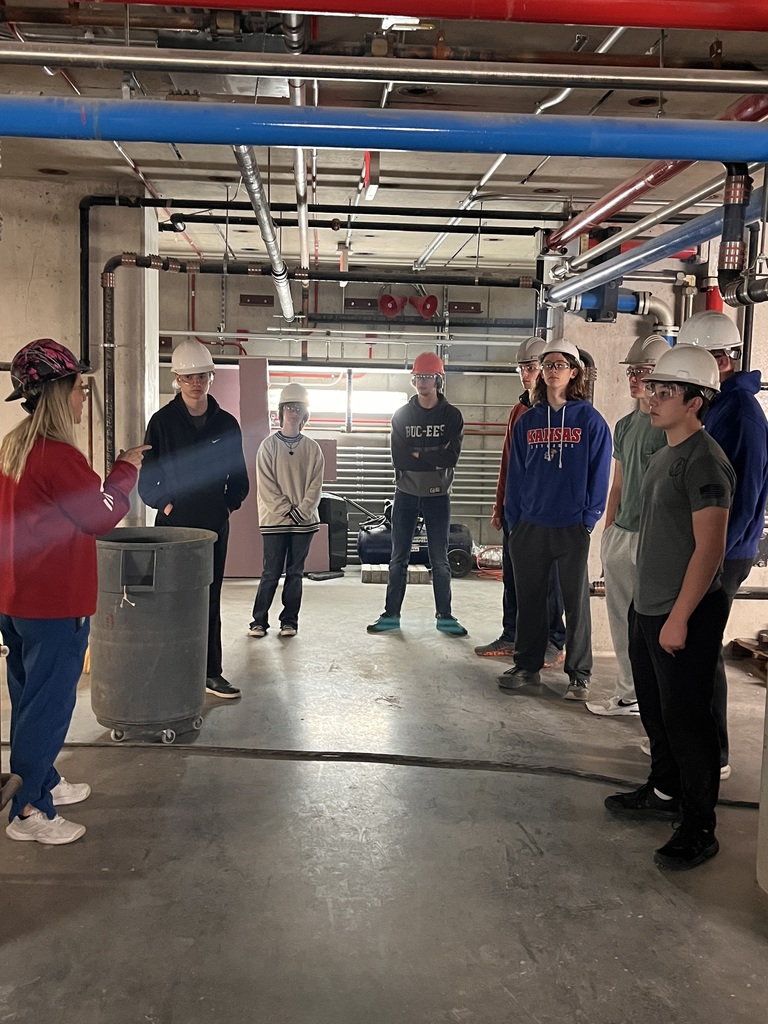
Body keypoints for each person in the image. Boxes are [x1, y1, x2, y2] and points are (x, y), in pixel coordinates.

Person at [0, 339, 148, 845]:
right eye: (81, 389)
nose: (84, 399)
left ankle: (42, 781)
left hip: (17, 599)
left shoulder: (13, 447)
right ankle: (28, 813)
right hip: (55, 604)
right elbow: (102, 514)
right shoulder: (57, 455)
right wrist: (126, 469)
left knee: (27, 697)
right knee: (49, 706)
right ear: (60, 392)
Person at [605, 344, 735, 871]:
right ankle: (663, 790)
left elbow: (710, 549)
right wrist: (647, 610)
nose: (652, 398)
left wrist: (679, 617)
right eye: (652, 389)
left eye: (665, 392)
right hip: (650, 604)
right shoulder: (664, 454)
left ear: (696, 400)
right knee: (657, 710)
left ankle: (699, 826)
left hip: (686, 610)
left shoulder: (705, 461)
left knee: (689, 719)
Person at [676, 310, 768, 779]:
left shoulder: (743, 417)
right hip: (708, 547)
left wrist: (709, 559)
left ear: (721, 359)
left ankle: (716, 752)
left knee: (704, 646)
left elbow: (746, 498)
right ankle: (694, 742)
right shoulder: (716, 405)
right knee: (694, 646)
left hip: (725, 552)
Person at [499, 339, 611, 700]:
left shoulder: (590, 421)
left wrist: (589, 518)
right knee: (530, 600)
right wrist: (513, 518)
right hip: (530, 525)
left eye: (559, 365)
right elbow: (515, 473)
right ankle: (527, 666)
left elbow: (600, 472)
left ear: (574, 372)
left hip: (571, 527)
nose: (551, 371)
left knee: (576, 604)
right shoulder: (528, 421)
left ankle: (579, 674)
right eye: (546, 366)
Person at [139, 340, 249, 699]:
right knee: (169, 599)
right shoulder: (162, 423)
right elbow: (148, 480)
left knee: (209, 598)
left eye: (201, 376)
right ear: (177, 379)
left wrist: (225, 508)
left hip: (214, 529)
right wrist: (169, 508)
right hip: (172, 529)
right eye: (188, 377)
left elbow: (240, 479)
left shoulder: (226, 425)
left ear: (211, 377)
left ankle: (209, 673)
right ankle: (169, 670)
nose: (195, 382)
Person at [586, 334, 669, 718]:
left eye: (645, 371)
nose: (636, 378)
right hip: (623, 534)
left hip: (654, 540)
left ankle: (654, 700)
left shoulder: (668, 426)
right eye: (633, 371)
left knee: (652, 626)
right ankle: (628, 692)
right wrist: (609, 531)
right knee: (620, 620)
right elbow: (617, 483)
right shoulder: (624, 425)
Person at [475, 335, 565, 665]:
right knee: (512, 578)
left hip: (546, 517)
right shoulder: (519, 412)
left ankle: (554, 639)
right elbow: (508, 464)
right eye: (522, 367)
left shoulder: (560, 413)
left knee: (549, 582)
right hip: (517, 514)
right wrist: (501, 508)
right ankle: (512, 634)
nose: (525, 373)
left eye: (531, 367)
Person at [368, 351, 467, 636]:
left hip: (438, 495)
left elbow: (451, 458)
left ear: (438, 380)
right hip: (406, 494)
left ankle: (445, 617)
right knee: (398, 557)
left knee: (440, 559)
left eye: (428, 377)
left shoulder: (451, 416)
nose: (423, 382)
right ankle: (391, 615)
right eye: (418, 377)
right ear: (413, 381)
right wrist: (433, 455)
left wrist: (418, 453)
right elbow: (400, 459)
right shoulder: (402, 415)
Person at [248, 383, 324, 638]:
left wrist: (301, 511)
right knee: (271, 572)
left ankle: (289, 621)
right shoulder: (268, 446)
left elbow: (316, 485)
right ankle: (258, 622)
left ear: (305, 414)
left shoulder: (313, 449)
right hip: (274, 522)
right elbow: (266, 485)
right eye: (289, 407)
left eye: (298, 408)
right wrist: (286, 510)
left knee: (295, 572)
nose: (293, 412)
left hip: (304, 523)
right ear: (281, 411)